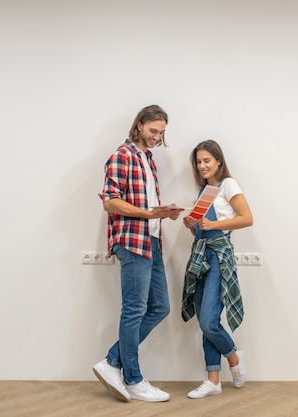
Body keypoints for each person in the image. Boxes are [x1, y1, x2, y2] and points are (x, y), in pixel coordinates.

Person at [93, 105, 183, 403]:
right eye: (153, 130)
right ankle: (132, 378)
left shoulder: (147, 159)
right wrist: (148, 213)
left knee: (160, 308)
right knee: (133, 309)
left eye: (161, 132)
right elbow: (110, 201)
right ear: (139, 125)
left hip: (151, 242)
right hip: (132, 243)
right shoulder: (123, 155)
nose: (157, 136)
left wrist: (162, 213)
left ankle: (111, 362)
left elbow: (145, 205)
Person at [181, 139, 253, 399]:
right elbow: (200, 231)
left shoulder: (228, 185)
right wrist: (192, 225)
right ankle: (213, 380)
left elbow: (247, 218)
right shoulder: (203, 192)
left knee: (210, 321)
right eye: (199, 162)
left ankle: (234, 356)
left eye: (207, 161)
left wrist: (212, 226)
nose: (202, 166)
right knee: (204, 320)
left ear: (219, 161)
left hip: (219, 257)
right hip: (200, 256)